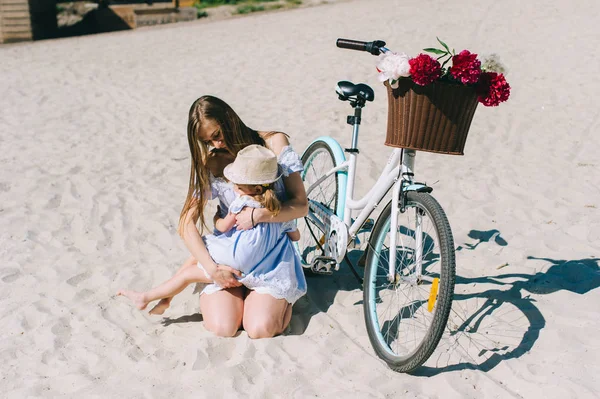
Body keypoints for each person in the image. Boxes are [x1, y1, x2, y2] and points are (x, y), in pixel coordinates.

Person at [121, 95, 308, 339]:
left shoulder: (272, 143)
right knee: (224, 327)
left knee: (260, 329)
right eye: (207, 141)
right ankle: (213, 288)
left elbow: (301, 205)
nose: (217, 144)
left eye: (217, 134)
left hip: (271, 256)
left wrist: (260, 214)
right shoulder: (211, 162)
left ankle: (275, 300)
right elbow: (186, 223)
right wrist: (213, 269)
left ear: (229, 119)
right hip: (229, 257)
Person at [116, 145, 303, 315]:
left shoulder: (240, 205)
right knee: (195, 264)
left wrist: (217, 218)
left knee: (195, 261)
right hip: (257, 265)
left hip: (231, 258)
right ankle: (164, 299)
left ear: (253, 188)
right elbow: (296, 236)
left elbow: (222, 227)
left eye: (237, 186)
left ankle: (151, 297)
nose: (235, 189)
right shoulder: (278, 211)